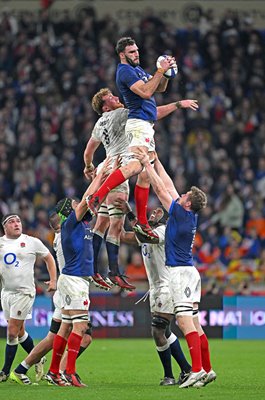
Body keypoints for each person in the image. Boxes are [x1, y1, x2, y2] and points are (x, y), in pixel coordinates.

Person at [84, 87, 198, 289]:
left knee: (101, 222)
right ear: (104, 106)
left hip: (105, 166)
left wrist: (89, 167)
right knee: (115, 224)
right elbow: (152, 113)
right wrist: (178, 104)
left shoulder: (98, 124)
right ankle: (113, 272)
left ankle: (93, 270)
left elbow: (88, 152)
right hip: (121, 165)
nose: (116, 97)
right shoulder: (122, 113)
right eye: (111, 97)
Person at [86, 37, 198, 240]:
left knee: (146, 173)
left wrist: (167, 74)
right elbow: (147, 92)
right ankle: (98, 195)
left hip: (146, 125)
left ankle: (142, 222)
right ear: (122, 55)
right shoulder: (125, 72)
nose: (136, 54)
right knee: (138, 167)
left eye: (137, 50)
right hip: (138, 125)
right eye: (131, 52)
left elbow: (159, 88)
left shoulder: (137, 71)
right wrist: (160, 71)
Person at [133, 149, 216, 388]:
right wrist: (157, 160)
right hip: (190, 272)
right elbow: (168, 185)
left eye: (184, 195)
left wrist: (146, 165)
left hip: (179, 273)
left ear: (187, 203)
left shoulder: (179, 213)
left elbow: (160, 189)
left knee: (183, 322)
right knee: (195, 323)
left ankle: (197, 369)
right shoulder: (187, 215)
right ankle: (207, 369)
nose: (180, 195)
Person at [46, 157, 111, 387]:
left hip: (74, 279)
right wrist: (101, 176)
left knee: (65, 328)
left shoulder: (83, 223)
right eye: (75, 205)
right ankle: (70, 372)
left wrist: (102, 182)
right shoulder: (70, 224)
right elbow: (87, 199)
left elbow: (94, 200)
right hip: (74, 279)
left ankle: (54, 371)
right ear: (68, 212)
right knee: (80, 327)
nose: (79, 205)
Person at [10, 212, 92, 385]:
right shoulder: (67, 235)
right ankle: (62, 373)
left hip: (64, 289)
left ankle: (22, 369)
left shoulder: (59, 237)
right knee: (83, 336)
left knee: (53, 337)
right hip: (69, 289)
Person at [118, 200, 192, 386]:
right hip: (157, 288)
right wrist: (113, 217)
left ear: (164, 218)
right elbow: (123, 236)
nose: (154, 212)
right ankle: (186, 369)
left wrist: (129, 213)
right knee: (165, 331)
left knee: (157, 329)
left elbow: (145, 236)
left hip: (166, 287)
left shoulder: (163, 231)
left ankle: (169, 376)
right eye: (153, 210)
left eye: (159, 211)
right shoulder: (145, 233)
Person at [0, 213, 57, 383]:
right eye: (11, 222)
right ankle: (38, 358)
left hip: (24, 292)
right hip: (6, 293)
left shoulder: (31, 241)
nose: (16, 223)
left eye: (18, 220)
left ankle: (5, 371)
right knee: (20, 331)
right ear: (5, 227)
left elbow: (49, 258)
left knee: (11, 333)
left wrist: (53, 279)